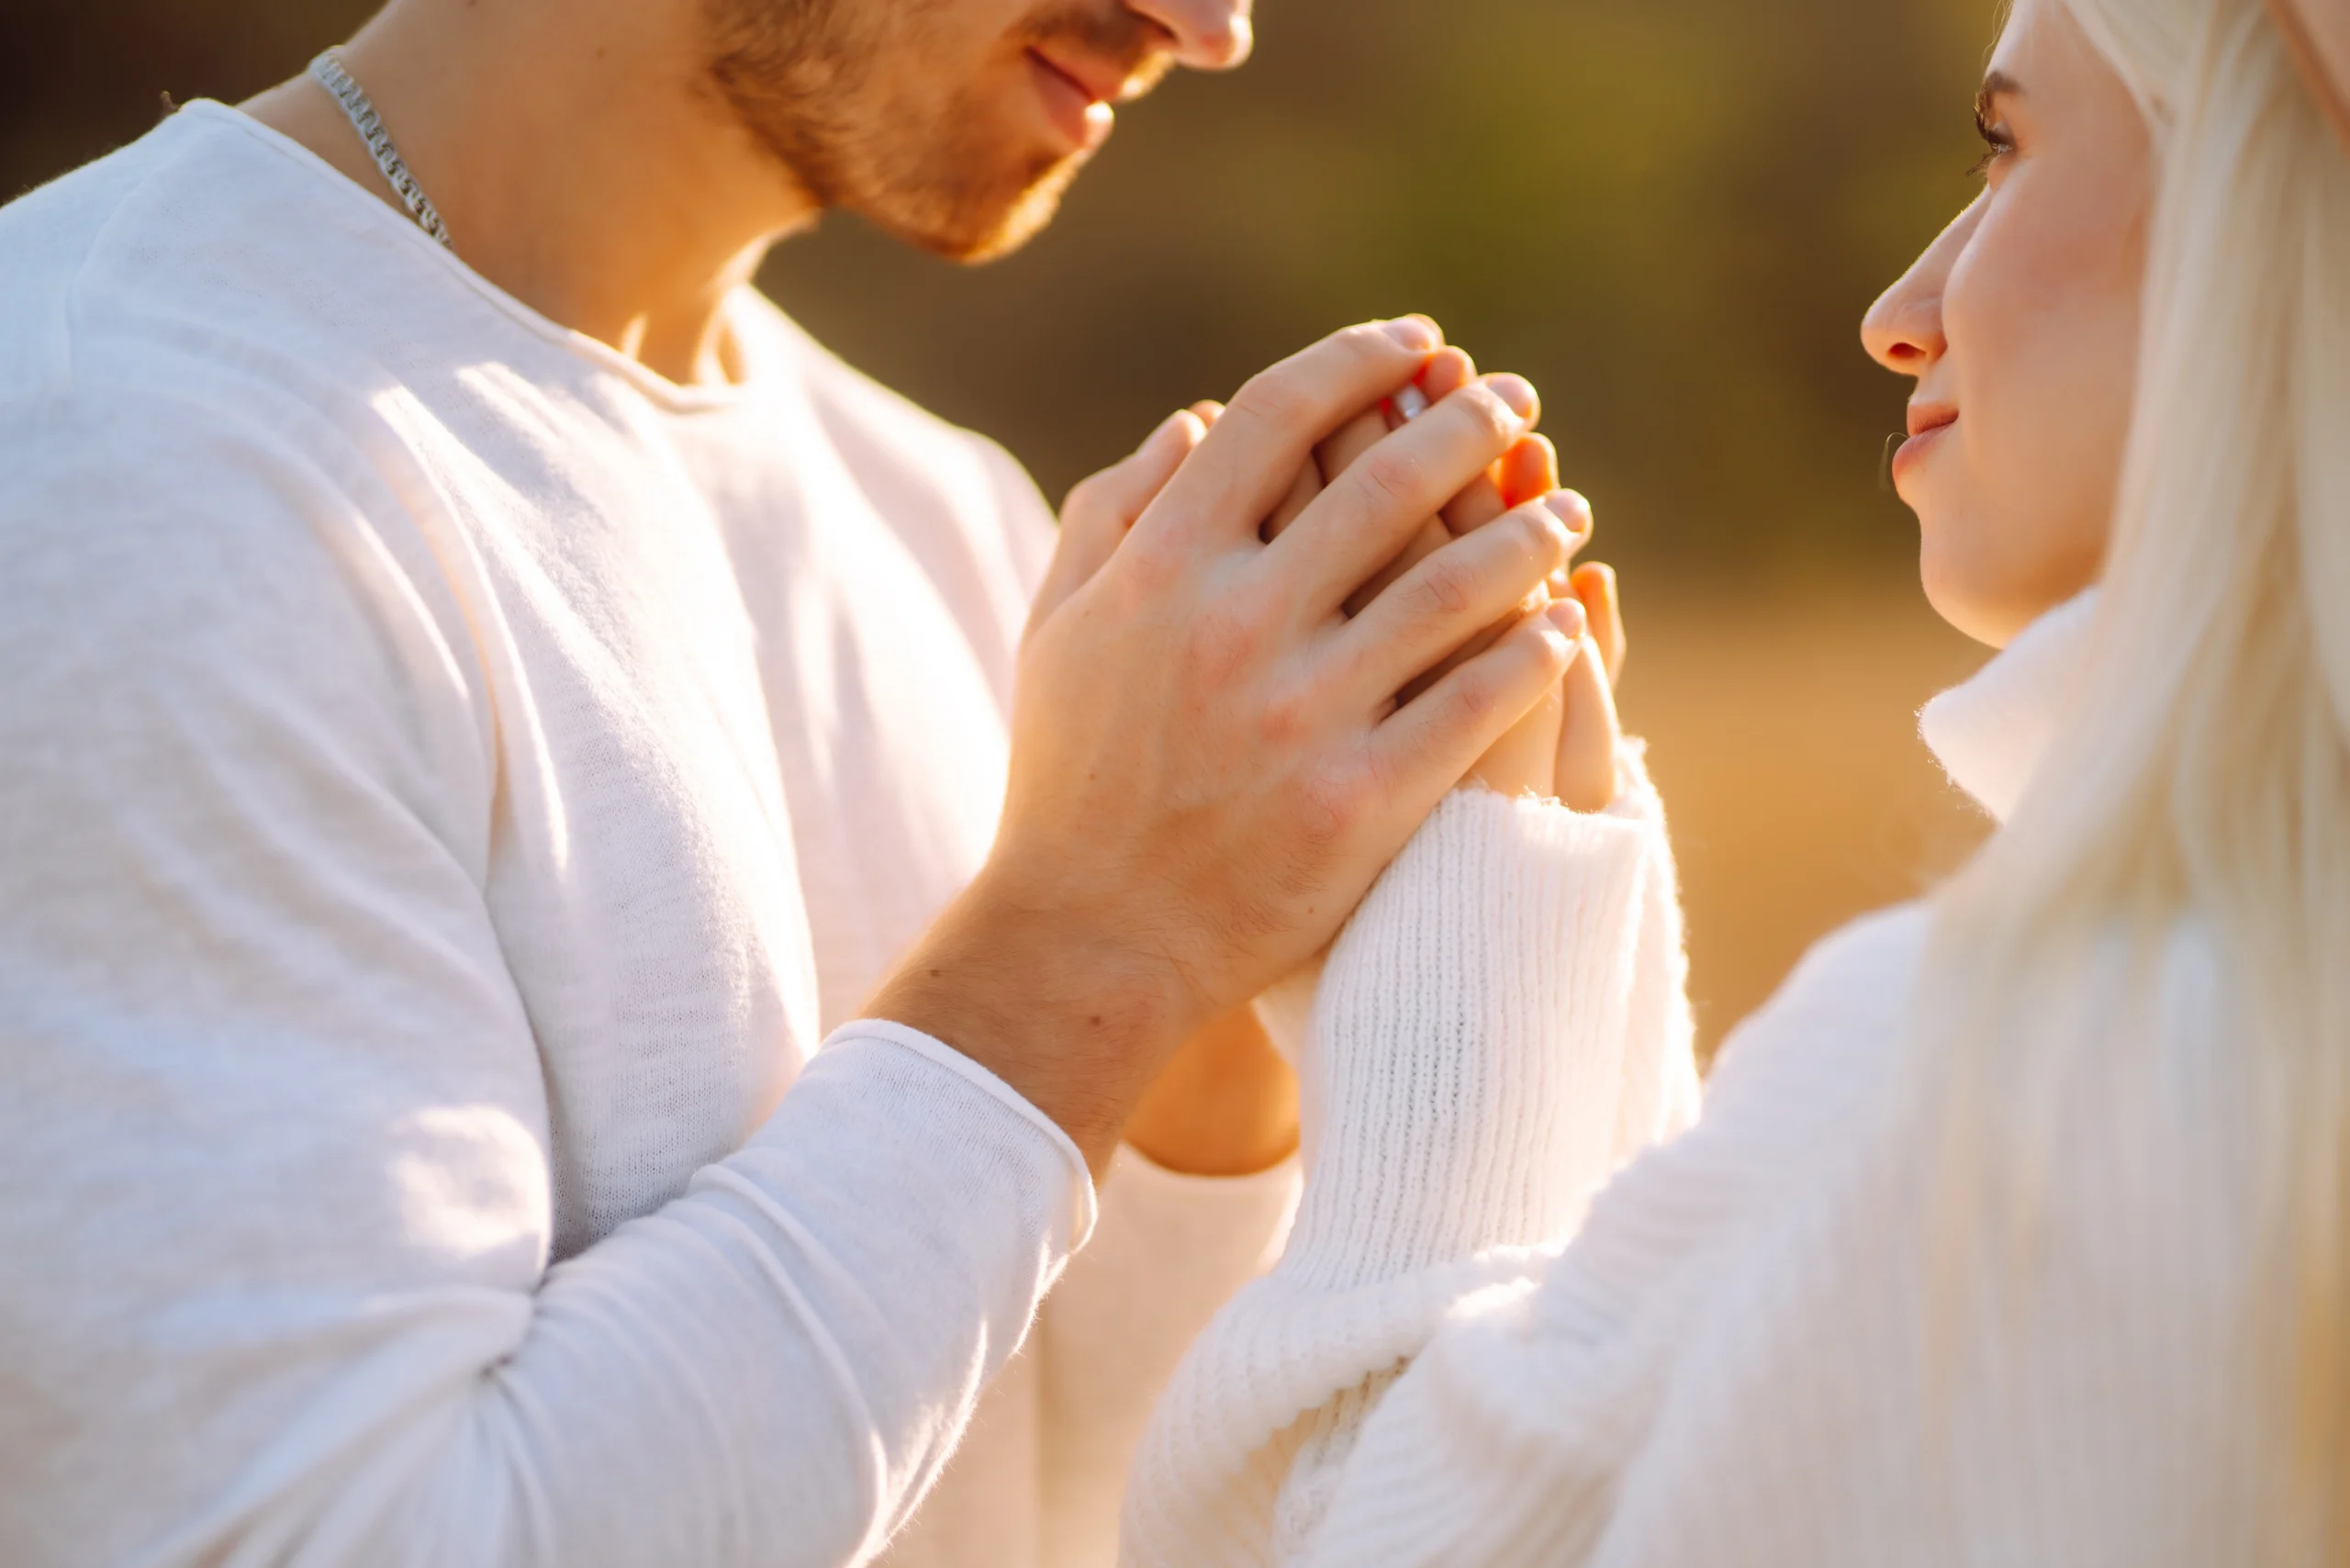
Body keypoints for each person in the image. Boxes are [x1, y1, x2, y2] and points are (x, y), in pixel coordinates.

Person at [0, 0, 1610, 1563]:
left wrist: (1222, 1018)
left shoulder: (937, 507)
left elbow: (1037, 1506)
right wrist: (1094, 942)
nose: (1207, 25)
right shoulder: (125, 463)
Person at [1122, 0, 2350, 1560]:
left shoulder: (2011, 1073)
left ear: (2264, 198)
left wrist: (1471, 924)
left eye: (2006, 148)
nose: (1898, 315)